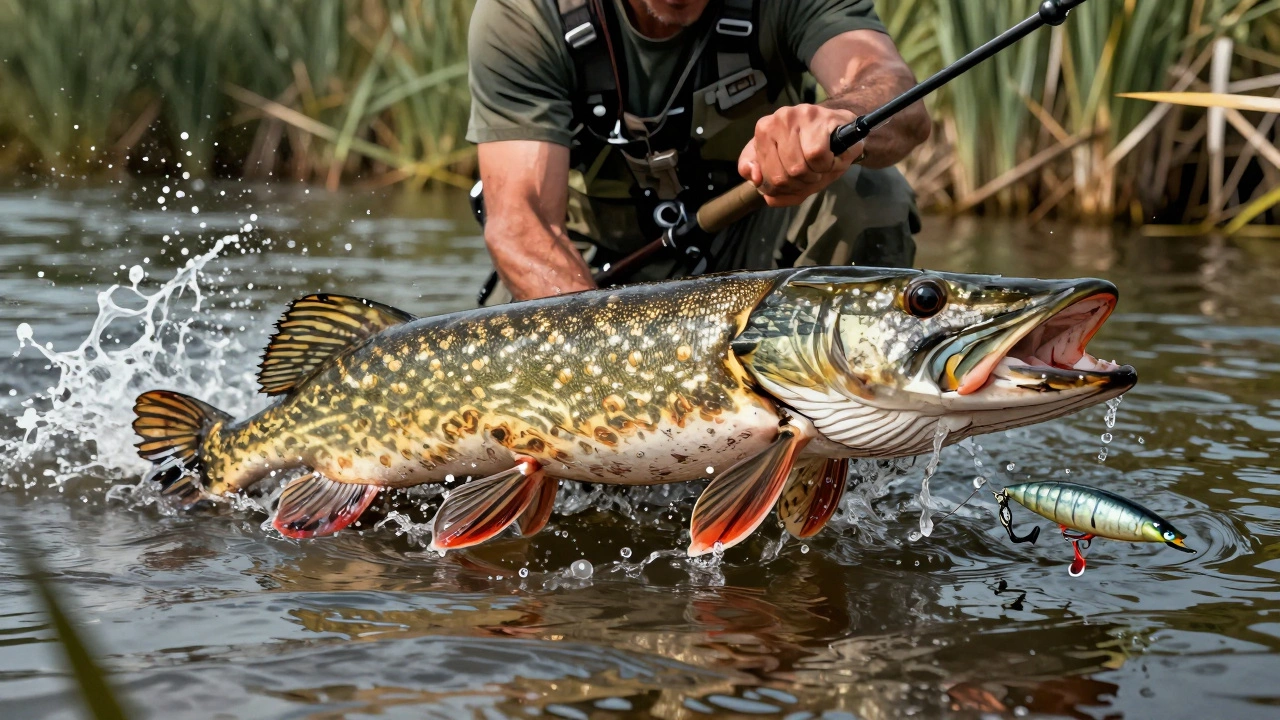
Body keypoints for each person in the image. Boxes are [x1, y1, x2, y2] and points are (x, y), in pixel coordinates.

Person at [467, 0, 930, 303]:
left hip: (755, 256)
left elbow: (894, 94)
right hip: (584, 275)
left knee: (872, 189)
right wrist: (612, 360)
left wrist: (842, 118)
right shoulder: (523, 13)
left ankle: (829, 424)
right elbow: (522, 224)